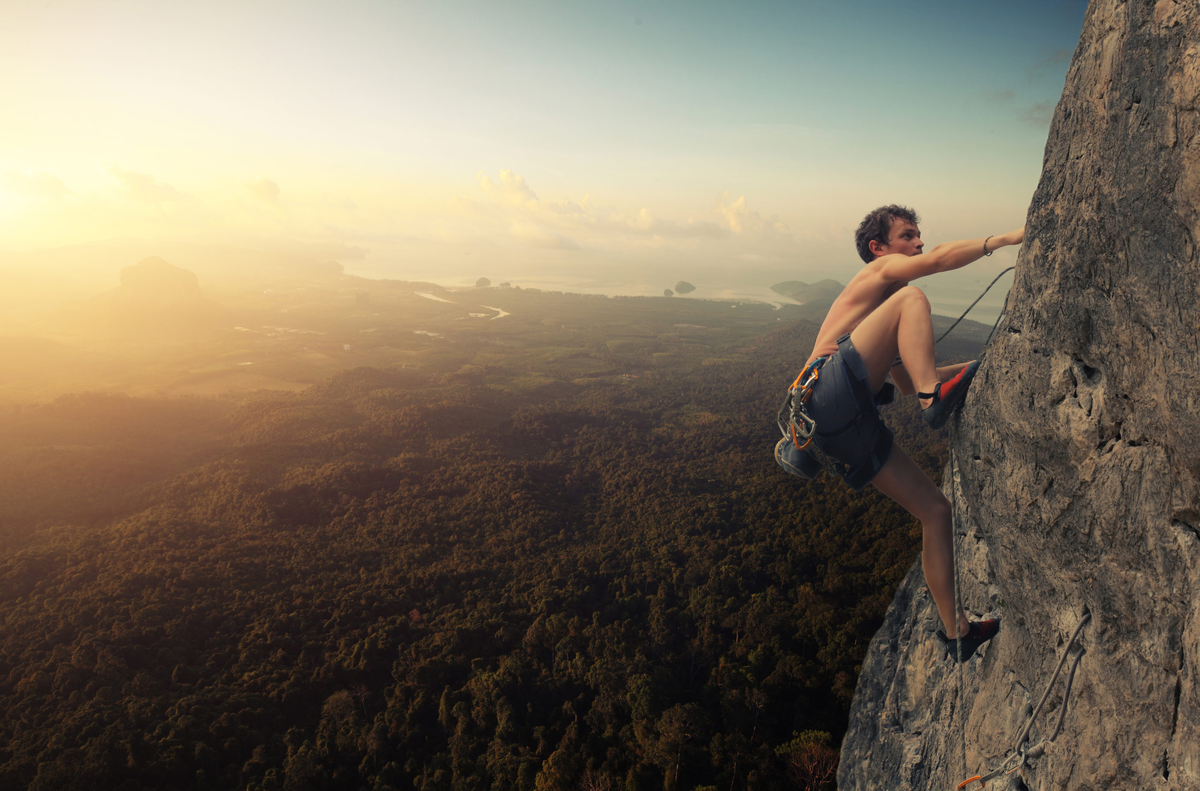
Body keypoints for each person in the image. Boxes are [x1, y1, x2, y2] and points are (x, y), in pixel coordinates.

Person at [776, 205, 1024, 661]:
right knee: (914, 299)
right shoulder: (881, 274)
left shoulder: (878, 323)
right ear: (880, 248)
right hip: (827, 395)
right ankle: (939, 399)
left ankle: (956, 632)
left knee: (935, 510)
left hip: (837, 427)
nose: (919, 244)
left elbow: (909, 383)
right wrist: (1003, 240)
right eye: (908, 236)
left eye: (918, 236)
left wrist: (979, 368)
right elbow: (938, 262)